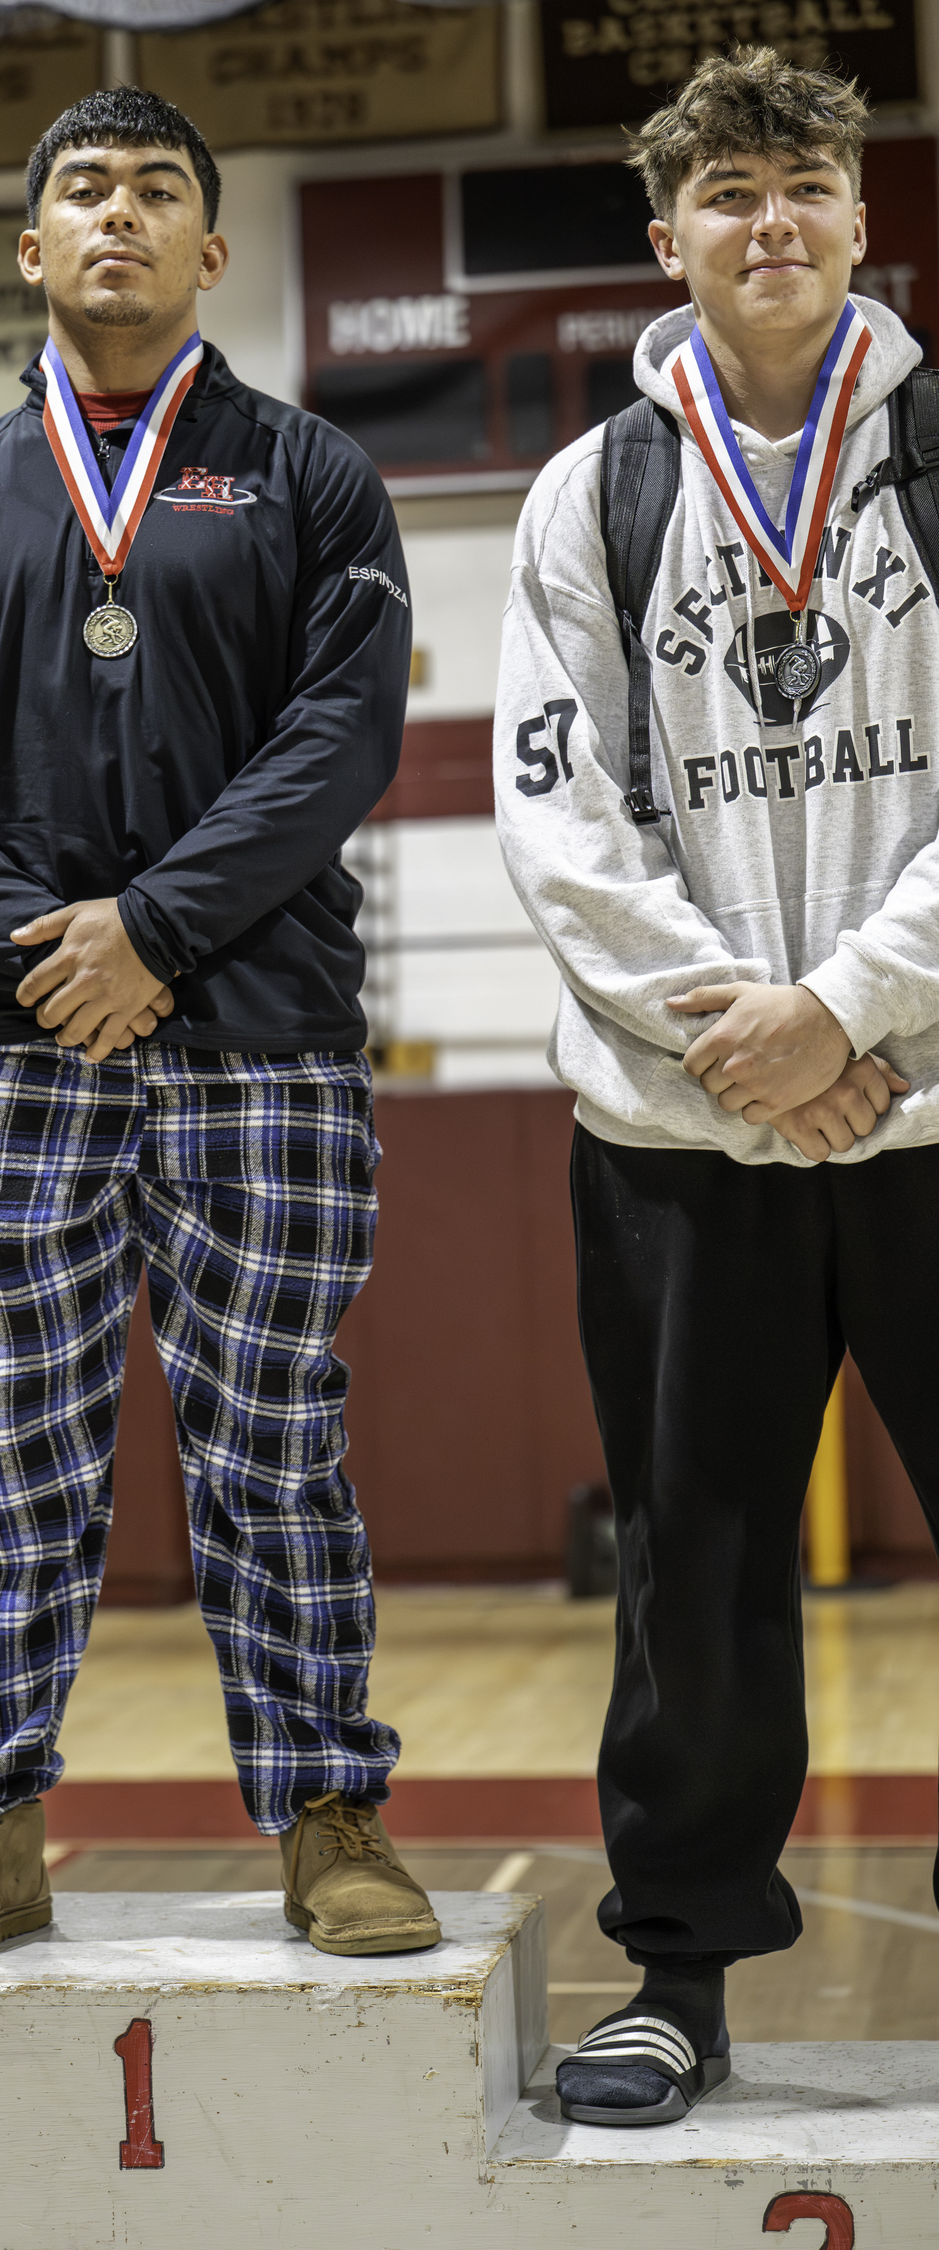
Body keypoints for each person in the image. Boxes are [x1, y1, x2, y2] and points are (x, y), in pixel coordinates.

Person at [0, 86, 437, 1966]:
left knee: (272, 1439)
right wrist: (58, 949)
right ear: (33, 247)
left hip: (263, 1034)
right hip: (14, 1041)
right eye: (83, 190)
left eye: (156, 189)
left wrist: (156, 933)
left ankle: (329, 1810)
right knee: (12, 1448)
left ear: (210, 249)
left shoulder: (311, 475)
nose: (119, 213)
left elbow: (341, 737)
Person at [495, 47, 939, 2126]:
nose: (774, 222)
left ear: (862, 217)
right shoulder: (592, 494)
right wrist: (740, 1036)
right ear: (666, 236)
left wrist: (846, 1005)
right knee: (697, 1565)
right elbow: (555, 817)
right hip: (685, 1133)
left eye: (806, 185)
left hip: (927, 1100)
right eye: (731, 194)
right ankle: (677, 1974)